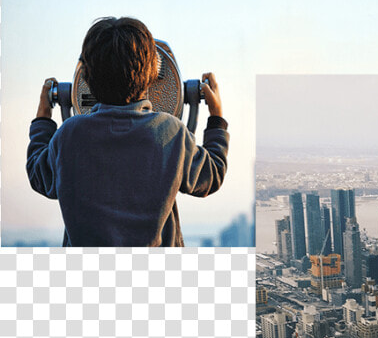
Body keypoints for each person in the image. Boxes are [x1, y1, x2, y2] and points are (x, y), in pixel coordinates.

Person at [26, 17, 229, 247]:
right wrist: (216, 118)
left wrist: (43, 115)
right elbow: (212, 175)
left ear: (85, 77)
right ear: (153, 73)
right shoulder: (170, 132)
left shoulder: (69, 135)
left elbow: (38, 175)